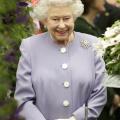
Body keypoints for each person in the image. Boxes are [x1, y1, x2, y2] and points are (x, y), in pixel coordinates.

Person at [14, 0, 107, 120]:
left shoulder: (93, 44)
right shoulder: (30, 46)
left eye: (66, 18)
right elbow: (23, 98)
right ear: (45, 20)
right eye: (55, 19)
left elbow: (100, 92)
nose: (62, 25)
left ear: (74, 17)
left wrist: (76, 118)